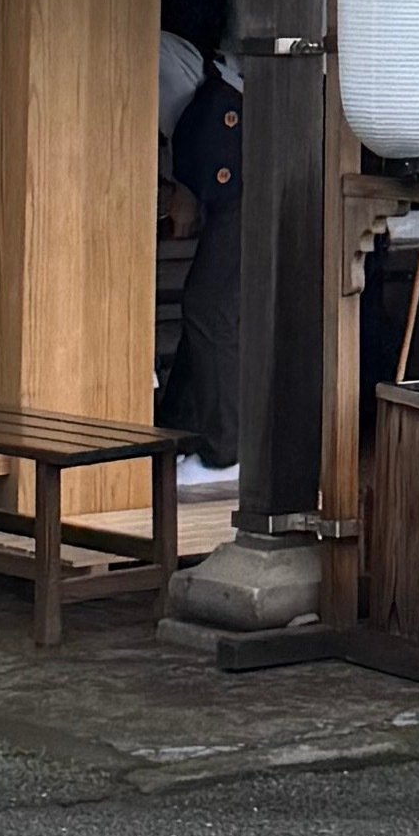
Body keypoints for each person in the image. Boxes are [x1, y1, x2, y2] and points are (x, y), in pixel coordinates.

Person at [163, 32, 245, 496]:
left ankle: (225, 453)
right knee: (205, 307)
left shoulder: (149, 56)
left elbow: (183, 202)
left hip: (245, 165)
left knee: (210, 306)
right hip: (224, 169)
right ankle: (182, 430)